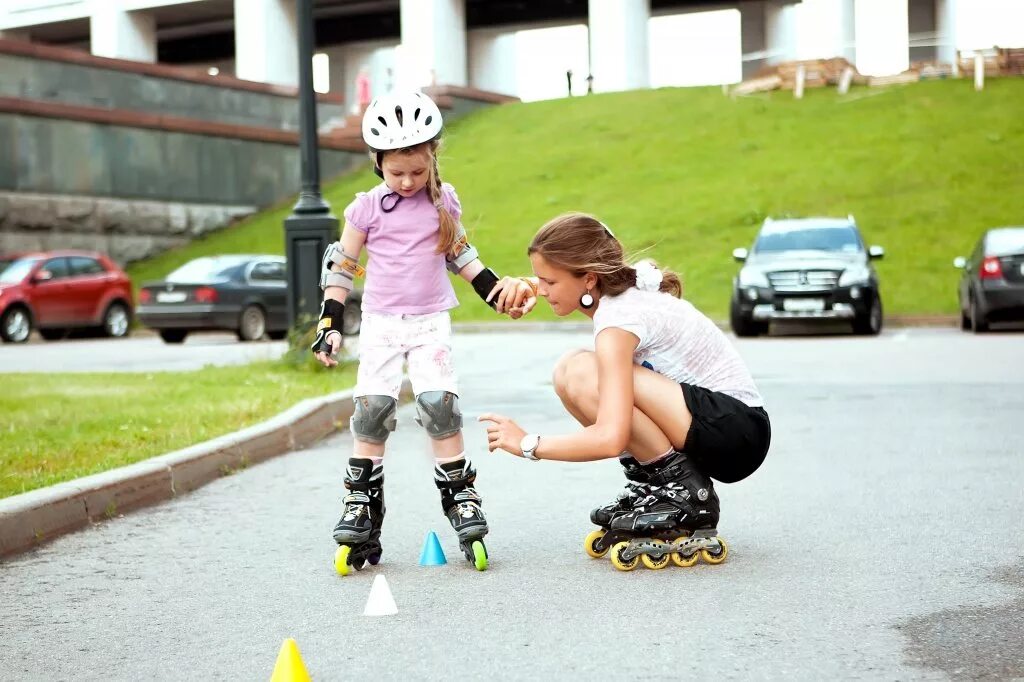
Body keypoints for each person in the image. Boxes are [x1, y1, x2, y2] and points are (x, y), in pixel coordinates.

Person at [312, 91, 533, 574]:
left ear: (432, 157)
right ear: (377, 164)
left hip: (430, 320)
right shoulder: (366, 208)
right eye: (397, 173)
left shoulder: (442, 200)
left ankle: (462, 498)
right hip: (382, 325)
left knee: (439, 405)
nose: (409, 181)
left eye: (418, 170)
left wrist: (496, 293)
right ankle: (361, 508)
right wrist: (330, 322)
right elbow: (343, 265)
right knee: (372, 412)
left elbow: (462, 256)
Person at [479, 212, 771, 570]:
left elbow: (609, 438)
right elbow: (575, 289)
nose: (542, 290)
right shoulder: (616, 293)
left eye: (548, 282)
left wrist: (526, 444)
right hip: (716, 423)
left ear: (588, 278)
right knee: (569, 371)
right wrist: (530, 283)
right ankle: (659, 485)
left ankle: (683, 494)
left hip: (736, 431)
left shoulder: (619, 320)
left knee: (585, 372)